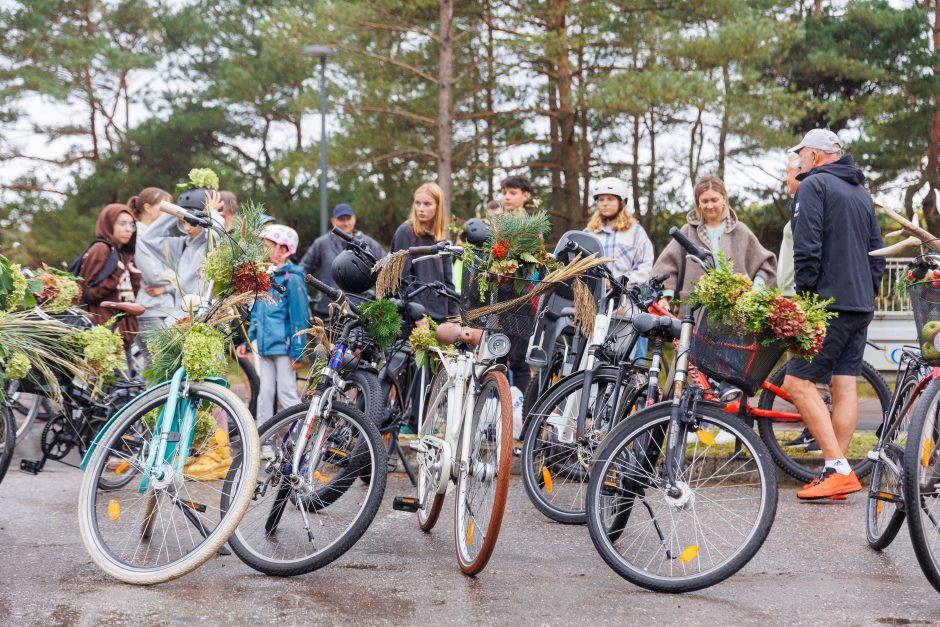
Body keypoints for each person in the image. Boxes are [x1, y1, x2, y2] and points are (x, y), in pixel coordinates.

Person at [782, 129, 885, 500]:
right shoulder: (860, 191)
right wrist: (868, 292)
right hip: (860, 304)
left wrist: (808, 300)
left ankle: (837, 469)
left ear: (815, 154)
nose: (800, 161)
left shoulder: (813, 186)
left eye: (802, 154)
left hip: (829, 304)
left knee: (797, 383)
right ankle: (836, 473)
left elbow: (806, 246)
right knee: (843, 385)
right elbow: (878, 253)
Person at [652, 174, 777, 309]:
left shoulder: (741, 231)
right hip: (693, 311)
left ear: (724, 199)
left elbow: (765, 265)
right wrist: (664, 296)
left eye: (714, 200)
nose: (710, 205)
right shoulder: (687, 232)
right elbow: (667, 266)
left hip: (734, 312)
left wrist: (757, 288)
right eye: (704, 201)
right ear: (698, 203)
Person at [236, 225, 309, 426]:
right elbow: (258, 313)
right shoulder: (265, 278)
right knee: (265, 393)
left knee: (286, 392)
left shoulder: (293, 279)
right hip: (265, 347)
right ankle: (262, 440)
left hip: (285, 349)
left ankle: (302, 438)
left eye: (267, 246)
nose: (263, 251)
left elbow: (299, 317)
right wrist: (249, 339)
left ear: (284, 250)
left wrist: (298, 352)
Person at [584, 177, 655, 358]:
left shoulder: (636, 232)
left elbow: (645, 267)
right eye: (601, 200)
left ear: (621, 202)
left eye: (610, 199)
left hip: (627, 308)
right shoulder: (589, 233)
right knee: (591, 359)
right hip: (595, 308)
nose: (604, 204)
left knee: (625, 363)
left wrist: (619, 283)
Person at [138, 188, 222, 319]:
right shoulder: (182, 245)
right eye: (183, 222)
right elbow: (149, 238)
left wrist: (212, 212)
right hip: (177, 318)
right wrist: (177, 212)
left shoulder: (212, 245)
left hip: (203, 317)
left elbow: (217, 234)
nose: (187, 228)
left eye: (191, 222)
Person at [300, 203, 385, 319]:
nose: (345, 223)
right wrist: (302, 291)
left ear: (354, 219)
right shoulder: (322, 243)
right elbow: (302, 269)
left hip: (360, 308)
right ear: (333, 221)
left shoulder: (367, 243)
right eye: (341, 219)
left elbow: (386, 267)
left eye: (348, 219)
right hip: (328, 308)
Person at [77, 204, 142, 348]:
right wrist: (116, 273)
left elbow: (125, 295)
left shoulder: (121, 252)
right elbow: (88, 294)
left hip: (122, 334)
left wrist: (135, 278)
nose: (128, 229)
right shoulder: (101, 249)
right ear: (108, 224)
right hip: (105, 332)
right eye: (122, 224)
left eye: (132, 225)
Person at [390, 184, 457, 323]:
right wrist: (416, 314)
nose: (421, 209)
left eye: (427, 204)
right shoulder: (406, 232)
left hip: (441, 316)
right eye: (417, 203)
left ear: (438, 207)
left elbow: (448, 280)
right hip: (416, 317)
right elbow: (402, 279)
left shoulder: (440, 237)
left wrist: (454, 315)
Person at [128, 187, 176, 358]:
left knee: (166, 368)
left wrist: (168, 286)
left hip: (167, 309)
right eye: (165, 208)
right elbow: (153, 276)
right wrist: (176, 276)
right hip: (149, 310)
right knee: (158, 368)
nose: (170, 213)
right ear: (148, 208)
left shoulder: (164, 236)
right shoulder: (138, 235)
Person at [777, 153, 802, 298]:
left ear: (799, 171)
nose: (785, 179)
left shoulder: (810, 205)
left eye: (788, 173)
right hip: (788, 295)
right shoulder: (798, 205)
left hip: (796, 295)